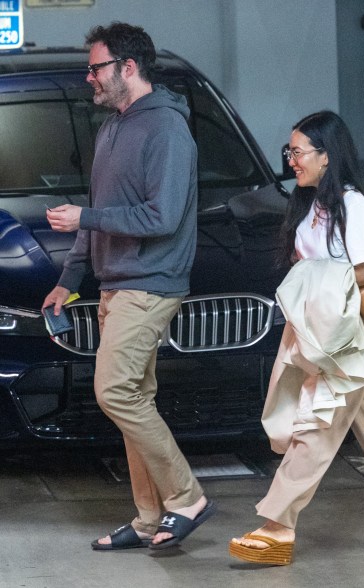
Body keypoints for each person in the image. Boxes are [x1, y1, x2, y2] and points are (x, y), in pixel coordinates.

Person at [229, 111, 364, 565]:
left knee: (318, 423)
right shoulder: (307, 204)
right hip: (312, 331)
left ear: (326, 156)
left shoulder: (353, 205)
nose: (292, 160)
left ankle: (277, 526)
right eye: (289, 152)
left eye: (299, 151)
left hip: (341, 334)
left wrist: (325, 281)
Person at [42, 22, 214, 551]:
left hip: (151, 284)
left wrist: (86, 215)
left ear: (128, 68)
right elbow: (93, 221)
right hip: (116, 285)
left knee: (114, 391)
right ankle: (147, 521)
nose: (88, 76)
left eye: (96, 67)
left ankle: (186, 498)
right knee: (135, 399)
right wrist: (68, 281)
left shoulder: (165, 130)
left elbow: (161, 216)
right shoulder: (112, 128)